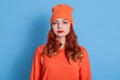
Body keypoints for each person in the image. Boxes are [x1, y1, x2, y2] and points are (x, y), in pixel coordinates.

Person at [30, 4, 91, 80]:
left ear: (70, 25)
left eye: (64, 22)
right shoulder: (41, 51)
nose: (59, 26)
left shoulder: (81, 52)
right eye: (55, 22)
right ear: (51, 26)